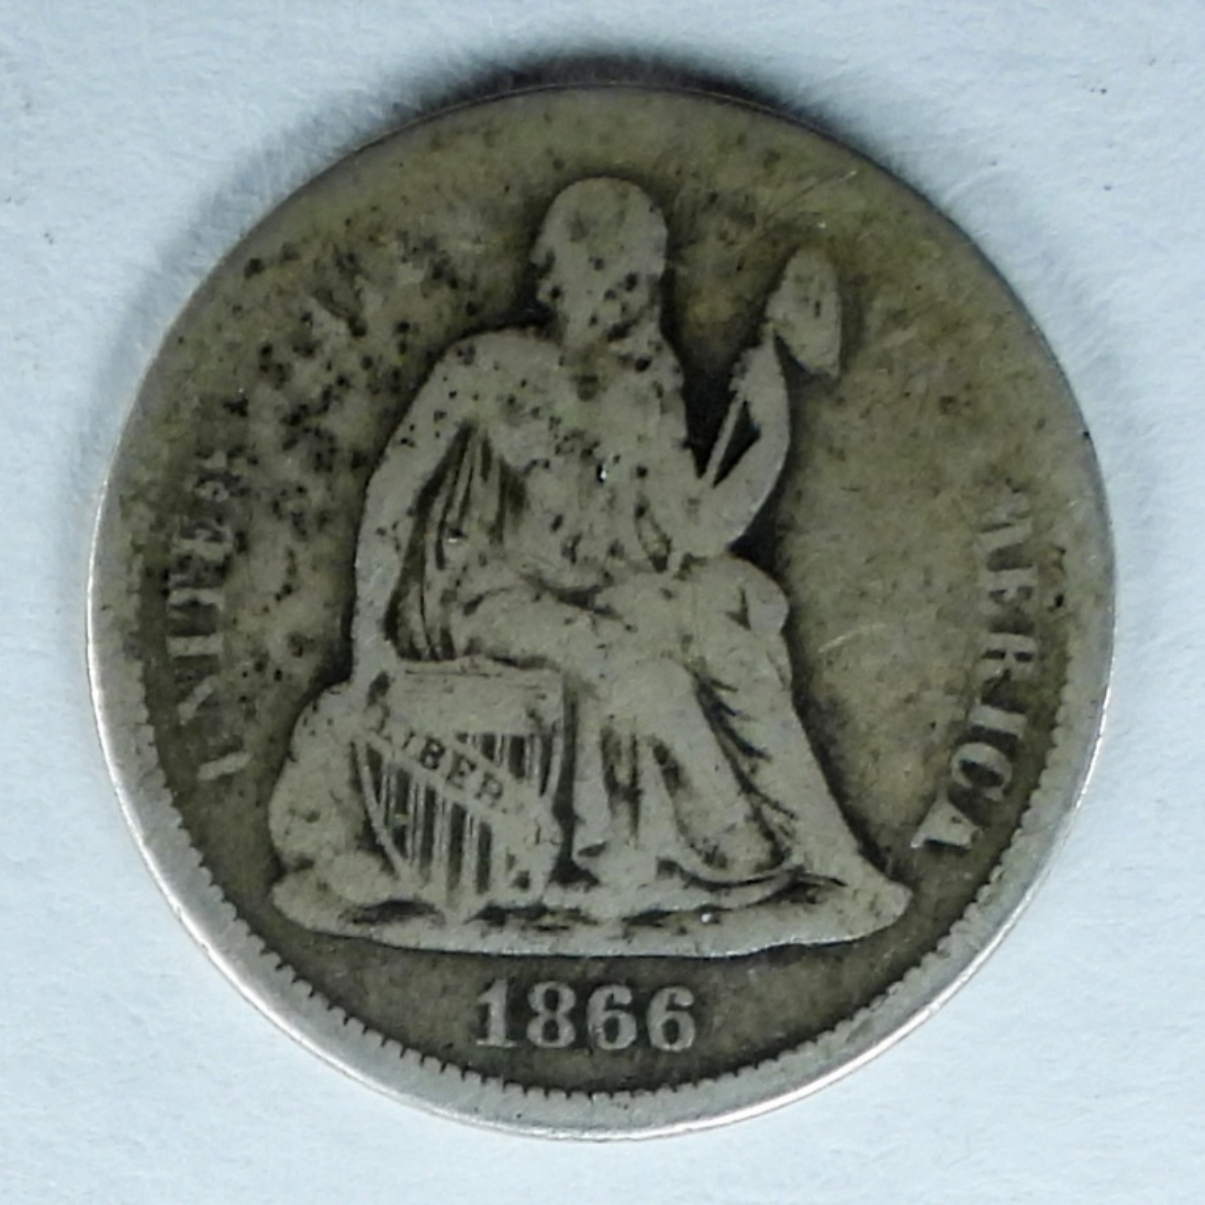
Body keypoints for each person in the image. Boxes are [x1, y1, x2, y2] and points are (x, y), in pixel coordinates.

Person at [270, 177, 909, 934]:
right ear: (561, 270)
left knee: (726, 633)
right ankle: (730, 846)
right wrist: (368, 635)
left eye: (641, 279)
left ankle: (832, 861)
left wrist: (769, 431)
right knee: (642, 672)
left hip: (606, 591)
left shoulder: (647, 384)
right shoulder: (485, 365)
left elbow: (697, 531)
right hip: (485, 602)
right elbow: (394, 491)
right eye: (613, 273)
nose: (630, 298)